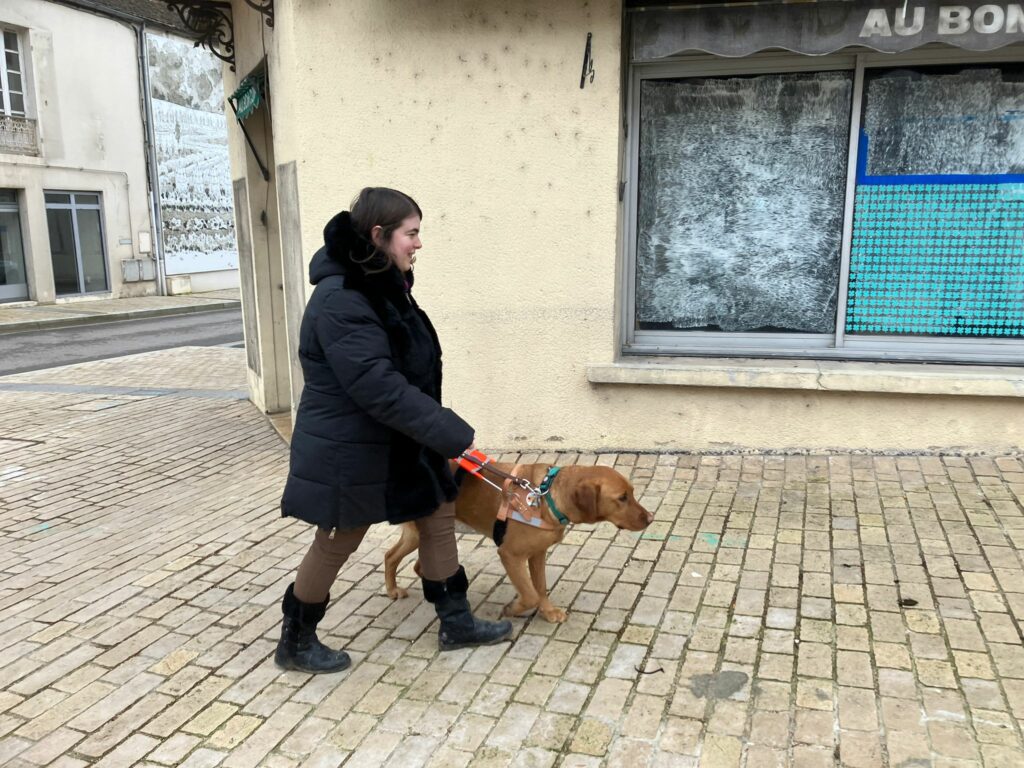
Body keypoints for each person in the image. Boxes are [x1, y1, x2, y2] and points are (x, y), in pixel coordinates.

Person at [274, 187, 512, 674]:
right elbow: (378, 386)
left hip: (402, 439)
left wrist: (433, 430)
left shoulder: (384, 284)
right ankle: (296, 640)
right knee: (339, 537)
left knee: (437, 511)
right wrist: (450, 433)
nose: (418, 244)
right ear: (379, 236)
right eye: (412, 233)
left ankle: (456, 620)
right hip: (352, 446)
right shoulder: (342, 298)